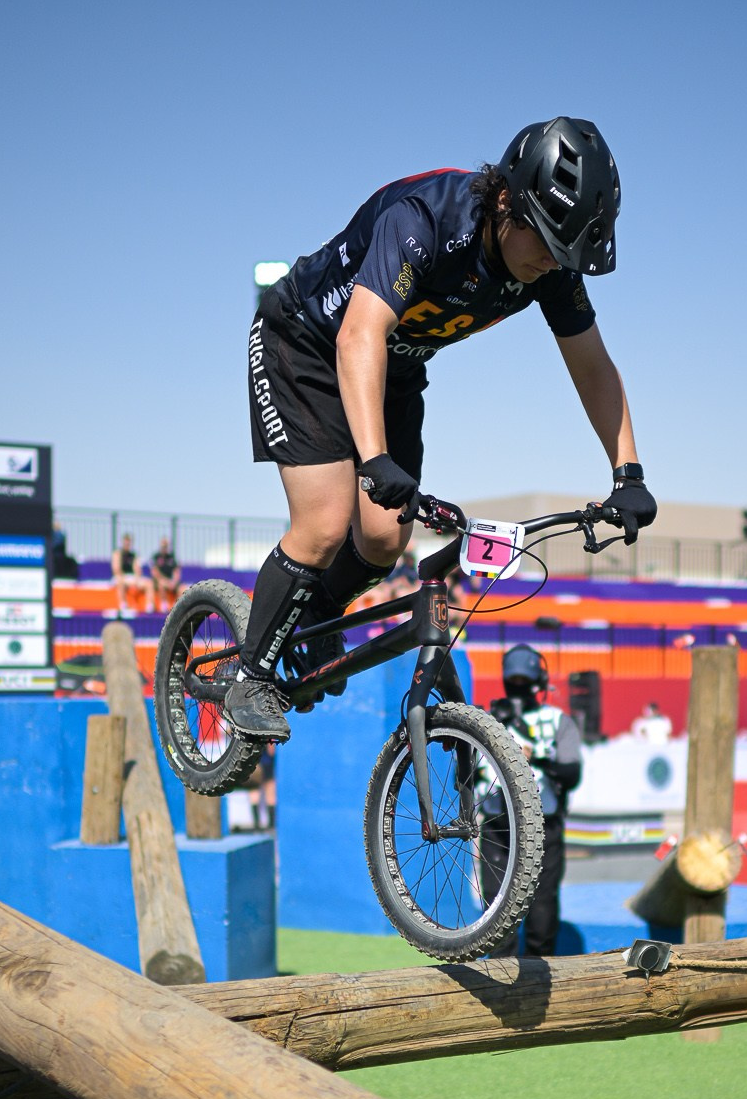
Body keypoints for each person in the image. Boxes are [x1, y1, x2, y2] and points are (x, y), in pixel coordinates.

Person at [232, 116, 654, 742]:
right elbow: (358, 335)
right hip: (306, 342)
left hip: (395, 367)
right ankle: (250, 678)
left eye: (567, 254)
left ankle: (316, 616)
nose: (552, 264)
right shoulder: (426, 221)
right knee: (324, 525)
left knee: (383, 540)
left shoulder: (551, 264)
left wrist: (629, 474)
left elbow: (593, 367)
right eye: (546, 243)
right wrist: (373, 459)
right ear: (507, 200)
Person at [480, 645, 583, 957]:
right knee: (496, 917)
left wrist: (536, 755)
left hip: (542, 829)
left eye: (525, 680)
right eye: (516, 680)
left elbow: (571, 773)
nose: (520, 687)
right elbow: (467, 772)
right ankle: (498, 987)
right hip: (498, 828)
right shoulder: (489, 719)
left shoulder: (556, 721)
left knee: (541, 917)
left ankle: (538, 985)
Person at [110, 532, 152, 617]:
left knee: (149, 583)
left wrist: (136, 579)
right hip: (120, 577)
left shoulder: (134, 555)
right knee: (120, 581)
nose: (127, 544)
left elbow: (137, 570)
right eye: (126, 542)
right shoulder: (117, 554)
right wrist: (125, 579)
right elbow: (116, 570)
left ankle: (149, 606)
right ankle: (123, 605)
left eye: (129, 542)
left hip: (130, 578)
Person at [151, 535, 182, 612]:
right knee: (161, 584)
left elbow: (176, 571)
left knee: (183, 589)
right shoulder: (156, 556)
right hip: (160, 581)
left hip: (171, 581)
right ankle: (163, 605)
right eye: (163, 546)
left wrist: (174, 582)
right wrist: (165, 581)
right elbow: (155, 573)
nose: (164, 548)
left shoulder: (172, 556)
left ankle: (179, 608)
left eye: (166, 546)